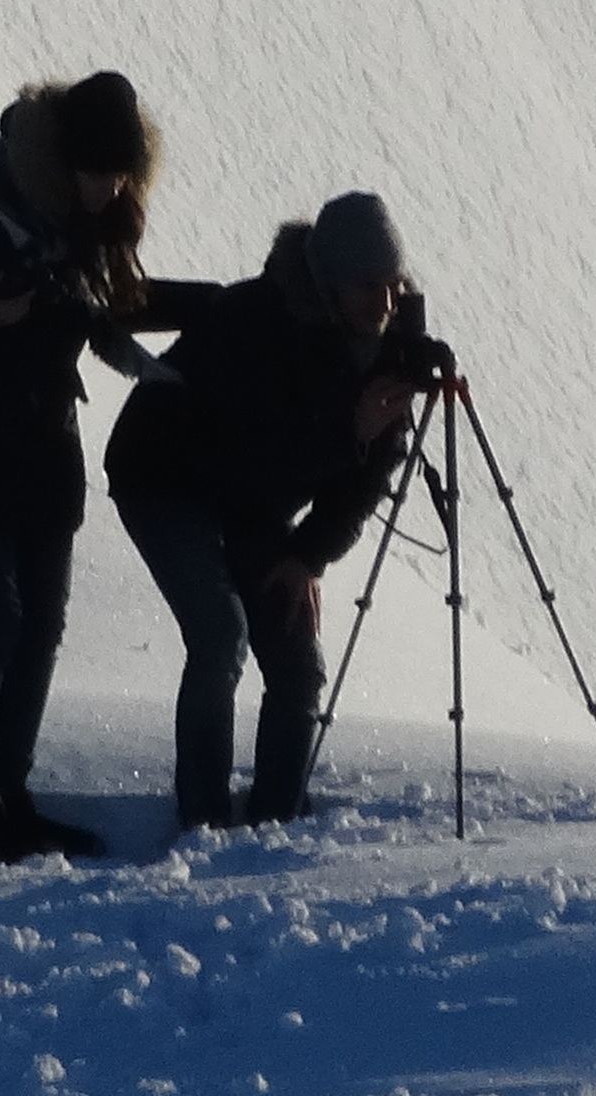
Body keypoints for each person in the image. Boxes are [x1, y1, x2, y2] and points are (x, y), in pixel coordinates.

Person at [0, 70, 174, 860]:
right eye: (98, 171)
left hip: (45, 451)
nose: (110, 186)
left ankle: (9, 794)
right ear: (64, 161)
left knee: (41, 625)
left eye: (121, 173)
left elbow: (117, 306)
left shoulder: (92, 228)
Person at [105, 188, 439, 834]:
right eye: (369, 285)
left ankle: (274, 820)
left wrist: (307, 554)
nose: (387, 302)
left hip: (253, 498)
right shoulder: (257, 323)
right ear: (331, 283)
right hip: (166, 476)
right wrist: (353, 429)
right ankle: (203, 817)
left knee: (296, 659)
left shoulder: (386, 344)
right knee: (220, 634)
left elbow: (366, 476)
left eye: (394, 285)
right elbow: (260, 450)